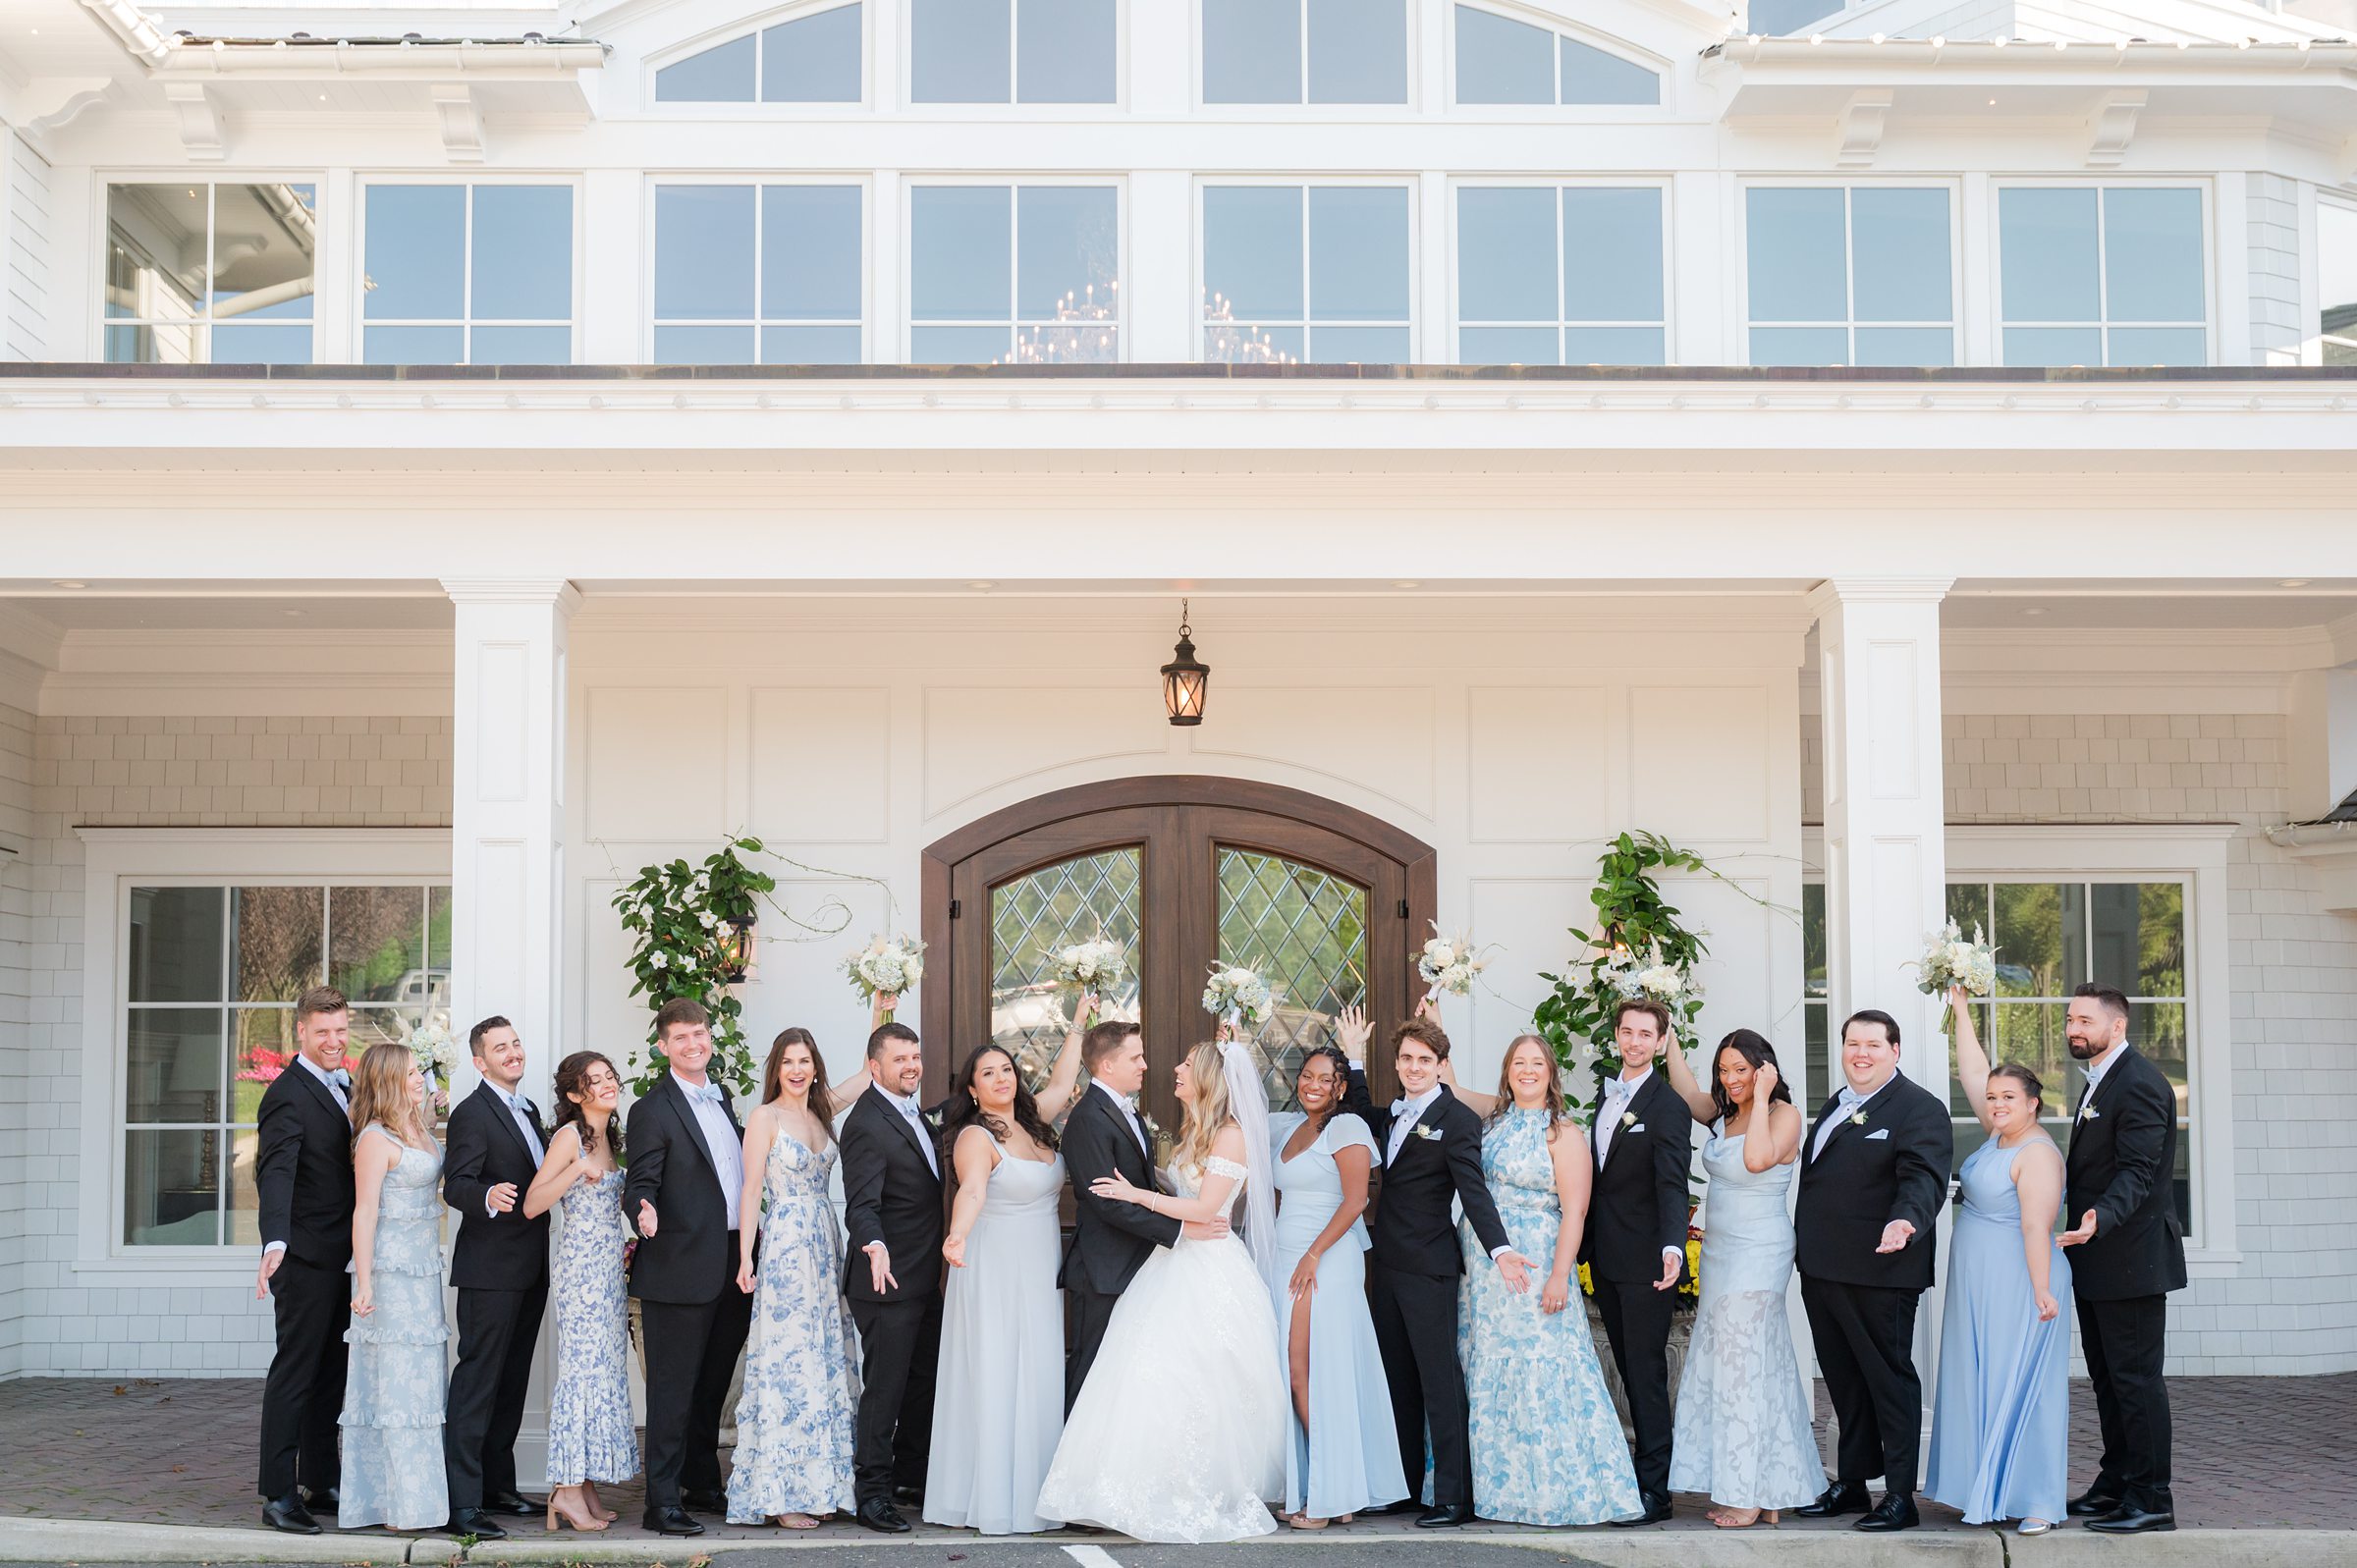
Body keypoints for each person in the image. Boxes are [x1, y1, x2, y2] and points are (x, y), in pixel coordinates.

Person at [1035, 1038, 1289, 1541]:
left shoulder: (1232, 1135)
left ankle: (1203, 1484)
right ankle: (1132, 1486)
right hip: (1172, 1262)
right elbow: (1184, 1194)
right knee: (1147, 1375)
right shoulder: (1196, 1130)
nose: (1172, 1068)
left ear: (1210, 1079)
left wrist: (1136, 1194)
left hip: (1208, 1263)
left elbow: (1205, 1210)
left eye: (1186, 1064)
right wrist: (1152, 1188)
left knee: (1202, 1376)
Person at [1440, 1030, 1642, 1527]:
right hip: (1486, 1272)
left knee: (1543, 1367)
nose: (1527, 1071)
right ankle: (1496, 1492)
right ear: (1507, 1072)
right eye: (1518, 1063)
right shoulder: (1491, 1122)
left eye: (1536, 1063)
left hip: (1536, 1264)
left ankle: (1556, 1491)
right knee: (1487, 1367)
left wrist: (1558, 1277)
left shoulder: (1563, 1132)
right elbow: (1449, 1084)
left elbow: (1575, 1212)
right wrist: (1439, 1010)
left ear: (1551, 1073)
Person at [1340, 1010, 1531, 1529]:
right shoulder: (1390, 1115)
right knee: (1397, 1379)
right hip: (1388, 1266)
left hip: (1430, 1268)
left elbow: (1473, 1192)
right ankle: (1403, 1487)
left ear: (1442, 1065)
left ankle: (1454, 1496)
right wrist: (1354, 1056)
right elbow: (1358, 1108)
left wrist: (1501, 1250)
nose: (1414, 1067)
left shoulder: (1458, 1120)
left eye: (1425, 1060)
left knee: (1439, 1382)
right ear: (1397, 1063)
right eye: (1406, 1059)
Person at [1792, 1007, 1953, 1533]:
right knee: (1844, 1380)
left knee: (1890, 1382)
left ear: (1896, 1051)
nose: (1861, 1054)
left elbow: (1924, 1178)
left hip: (1882, 1270)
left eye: (1873, 1045)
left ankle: (1901, 1494)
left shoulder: (1919, 1109)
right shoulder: (1839, 1103)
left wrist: (1906, 1220)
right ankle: (1854, 1482)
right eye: (1852, 1044)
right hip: (1823, 1268)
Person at [1660, 1028, 1823, 1528]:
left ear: (1763, 1069)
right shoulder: (1725, 1111)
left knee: (1743, 1368)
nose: (1731, 1080)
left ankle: (1748, 1492)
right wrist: (1668, 1037)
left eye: (1741, 1070)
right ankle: (1772, 1485)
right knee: (1747, 1365)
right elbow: (1688, 1092)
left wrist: (1765, 1097)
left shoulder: (1784, 1115)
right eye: (1724, 1070)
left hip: (1760, 1252)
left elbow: (1755, 1161)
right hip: (1720, 1253)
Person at [1928, 989, 2071, 1536]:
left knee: (2022, 1383)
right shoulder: (1997, 1136)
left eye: (2008, 1097)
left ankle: (2036, 1500)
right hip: (1979, 1279)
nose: (1996, 1104)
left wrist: (2041, 1290)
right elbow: (1973, 1071)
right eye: (1992, 1098)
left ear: (2033, 1102)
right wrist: (1961, 1010)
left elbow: (2037, 1227)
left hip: (2021, 1278)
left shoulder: (2036, 1153)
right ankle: (1985, 1490)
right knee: (1982, 1377)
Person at [2057, 981, 2186, 1535]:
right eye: (2070, 1020)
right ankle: (2117, 1482)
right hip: (2098, 1261)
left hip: (2130, 1259)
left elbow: (2138, 1171)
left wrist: (2098, 1217)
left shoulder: (2138, 1084)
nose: (2074, 1030)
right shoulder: (2101, 1080)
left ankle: (2152, 1497)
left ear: (2118, 1026)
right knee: (2109, 1380)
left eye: (2085, 1021)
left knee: (2136, 1381)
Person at [925, 1043, 1068, 1535]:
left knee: (1037, 1369)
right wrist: (958, 1233)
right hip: (993, 1266)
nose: (1001, 1078)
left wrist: (1079, 1014)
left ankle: (1033, 1493)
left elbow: (1064, 1085)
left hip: (1039, 1266)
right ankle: (990, 1499)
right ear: (972, 1088)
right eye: (989, 1073)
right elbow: (973, 1190)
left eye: (1007, 1069)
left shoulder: (1034, 1121)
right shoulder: (973, 1136)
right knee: (998, 1368)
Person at [623, 999, 752, 1539]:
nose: (692, 1044)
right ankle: (661, 1502)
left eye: (699, 1034)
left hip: (731, 1262)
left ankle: (702, 1480)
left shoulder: (723, 1101)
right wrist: (642, 1211)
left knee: (712, 1383)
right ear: (663, 1046)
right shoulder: (651, 1109)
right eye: (680, 1037)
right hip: (677, 1267)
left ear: (710, 1037)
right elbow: (640, 1182)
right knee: (672, 1391)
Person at [1267, 1035, 1405, 1529]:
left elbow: (1355, 1201)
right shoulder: (1285, 1129)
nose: (1313, 1085)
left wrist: (1313, 1255)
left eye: (1326, 1079)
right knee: (1296, 1373)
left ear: (1341, 1087)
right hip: (1288, 1257)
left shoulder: (1346, 1126)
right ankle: (1332, 1491)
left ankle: (1332, 1496)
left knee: (1310, 1373)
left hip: (1324, 1258)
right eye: (1307, 1076)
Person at [727, 1027, 859, 1530]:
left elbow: (869, 1075)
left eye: (805, 1061)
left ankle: (821, 1485)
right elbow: (751, 1188)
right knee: (789, 1359)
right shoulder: (766, 1116)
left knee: (824, 1359)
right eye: (788, 1062)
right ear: (776, 1069)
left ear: (815, 1066)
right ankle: (782, 1494)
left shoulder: (821, 1110)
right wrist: (746, 1256)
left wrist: (880, 998)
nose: (797, 1070)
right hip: (784, 1243)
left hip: (825, 1242)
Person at [1578, 999, 1698, 1528]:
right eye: (1626, 1032)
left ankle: (1656, 1492)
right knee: (1627, 1370)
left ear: (1661, 1040)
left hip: (1648, 1261)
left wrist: (1673, 1247)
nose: (1633, 1041)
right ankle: (1636, 1477)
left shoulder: (1668, 1105)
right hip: (1604, 1258)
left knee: (1646, 1374)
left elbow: (1672, 1183)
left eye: (1644, 1034)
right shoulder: (1605, 1097)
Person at [1058, 1017, 1218, 1411]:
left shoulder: (1124, 1111)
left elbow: (1139, 1182)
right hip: (1103, 1271)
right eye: (1137, 1057)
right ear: (1108, 1066)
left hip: (1138, 1266)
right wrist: (1180, 1229)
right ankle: (1072, 1467)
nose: (1145, 1065)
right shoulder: (1088, 1119)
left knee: (1126, 1377)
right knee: (1091, 1372)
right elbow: (1107, 1201)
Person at [251, 985, 358, 1537]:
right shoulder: (287, 1094)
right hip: (304, 1256)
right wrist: (274, 1242)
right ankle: (278, 1493)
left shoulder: (347, 1085)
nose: (334, 1041)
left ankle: (322, 1478)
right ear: (301, 1032)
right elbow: (275, 1172)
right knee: (294, 1374)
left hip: (342, 1256)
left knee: (329, 1375)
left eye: (341, 1031)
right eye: (323, 1032)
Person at [439, 1016, 550, 1541]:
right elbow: (455, 1184)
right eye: (499, 1048)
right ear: (480, 1062)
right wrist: (484, 1196)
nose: (512, 1053)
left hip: (531, 1266)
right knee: (477, 1382)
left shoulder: (528, 1109)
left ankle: (497, 1486)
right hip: (488, 1269)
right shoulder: (471, 1113)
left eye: (515, 1044)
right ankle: (461, 1503)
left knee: (511, 1380)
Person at [840, 1015, 946, 1535]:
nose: (911, 1066)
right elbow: (861, 1204)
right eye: (899, 1058)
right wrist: (874, 1245)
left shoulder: (917, 1115)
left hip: (925, 1276)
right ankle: (872, 1493)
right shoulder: (864, 1123)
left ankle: (909, 1474)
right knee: (884, 1389)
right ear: (874, 1066)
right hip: (886, 1280)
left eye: (915, 1057)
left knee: (921, 1380)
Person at [337, 1042, 450, 1533]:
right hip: (390, 1275)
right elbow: (364, 1213)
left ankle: (424, 1502)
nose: (418, 1078)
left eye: (418, 1070)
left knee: (423, 1384)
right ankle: (395, 1506)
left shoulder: (419, 1128)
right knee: (397, 1387)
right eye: (408, 1074)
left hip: (424, 1275)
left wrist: (434, 1105)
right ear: (386, 1081)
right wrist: (363, 1283)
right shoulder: (374, 1140)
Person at [523, 1051, 636, 1535]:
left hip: (609, 1270)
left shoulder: (610, 1134)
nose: (607, 1084)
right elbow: (532, 1204)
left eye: (609, 1076)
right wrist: (575, 1171)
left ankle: (585, 1482)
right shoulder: (569, 1137)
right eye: (594, 1080)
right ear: (574, 1094)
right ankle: (566, 1491)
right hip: (581, 1273)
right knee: (582, 1375)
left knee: (604, 1371)